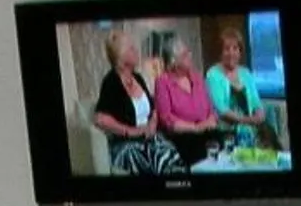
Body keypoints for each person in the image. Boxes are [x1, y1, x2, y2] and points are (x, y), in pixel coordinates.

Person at [91, 29, 183, 176]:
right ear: (121, 56)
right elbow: (101, 119)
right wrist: (132, 132)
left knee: (170, 152)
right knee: (148, 158)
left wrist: (152, 124)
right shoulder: (111, 82)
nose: (137, 51)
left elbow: (153, 108)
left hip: (149, 138)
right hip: (126, 145)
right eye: (132, 48)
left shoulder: (138, 78)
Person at [151, 37, 220, 165]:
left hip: (207, 132)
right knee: (198, 151)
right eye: (185, 54)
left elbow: (211, 108)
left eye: (189, 52)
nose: (190, 55)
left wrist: (211, 120)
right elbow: (166, 119)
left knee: (223, 145)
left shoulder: (197, 77)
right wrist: (195, 128)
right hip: (183, 137)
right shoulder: (162, 82)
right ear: (173, 62)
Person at [208, 25, 270, 149]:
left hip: (252, 128)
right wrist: (248, 120)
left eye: (235, 48)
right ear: (220, 52)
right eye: (226, 49)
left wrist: (260, 114)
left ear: (240, 51)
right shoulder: (213, 74)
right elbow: (221, 109)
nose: (231, 53)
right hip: (228, 133)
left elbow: (256, 102)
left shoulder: (246, 73)